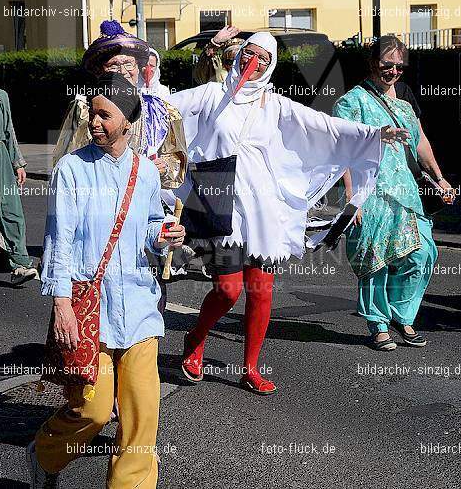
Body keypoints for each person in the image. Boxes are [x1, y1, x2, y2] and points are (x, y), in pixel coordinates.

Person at [170, 32, 407, 394]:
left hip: (265, 210)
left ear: (272, 65)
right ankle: (196, 339)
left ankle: (250, 367)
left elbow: (323, 127)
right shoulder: (213, 94)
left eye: (263, 58)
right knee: (229, 289)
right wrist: (124, 99)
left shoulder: (275, 104)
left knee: (261, 291)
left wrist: (373, 134)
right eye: (248, 53)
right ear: (237, 56)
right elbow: (168, 108)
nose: (254, 61)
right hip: (220, 201)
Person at [27, 74, 185, 489]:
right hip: (89, 308)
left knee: (140, 417)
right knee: (93, 410)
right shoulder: (71, 170)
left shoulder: (146, 174)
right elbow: (58, 241)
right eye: (92, 113)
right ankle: (45, 452)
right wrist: (61, 305)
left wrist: (165, 232)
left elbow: (152, 225)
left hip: (138, 307)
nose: (94, 122)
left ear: (128, 121)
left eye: (104, 115)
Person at [333, 35, 453, 351]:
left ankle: (402, 314)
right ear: (373, 63)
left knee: (424, 253)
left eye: (399, 66)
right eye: (388, 64)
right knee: (377, 259)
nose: (394, 71)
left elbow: (421, 142)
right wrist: (351, 199)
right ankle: (378, 324)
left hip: (407, 192)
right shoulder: (351, 102)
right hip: (370, 192)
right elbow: (342, 151)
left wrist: (439, 179)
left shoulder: (403, 101)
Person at [53, 21, 186, 191]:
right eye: (114, 65)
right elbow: (66, 165)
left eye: (128, 64)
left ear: (138, 67)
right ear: (100, 71)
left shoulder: (161, 110)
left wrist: (165, 167)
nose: (123, 71)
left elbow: (176, 161)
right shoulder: (84, 109)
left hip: (144, 198)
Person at [0, 87, 37, 285]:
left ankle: (20, 264)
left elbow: (9, 131)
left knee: (11, 210)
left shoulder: (0, 96)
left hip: (0, 155)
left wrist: (18, 163)